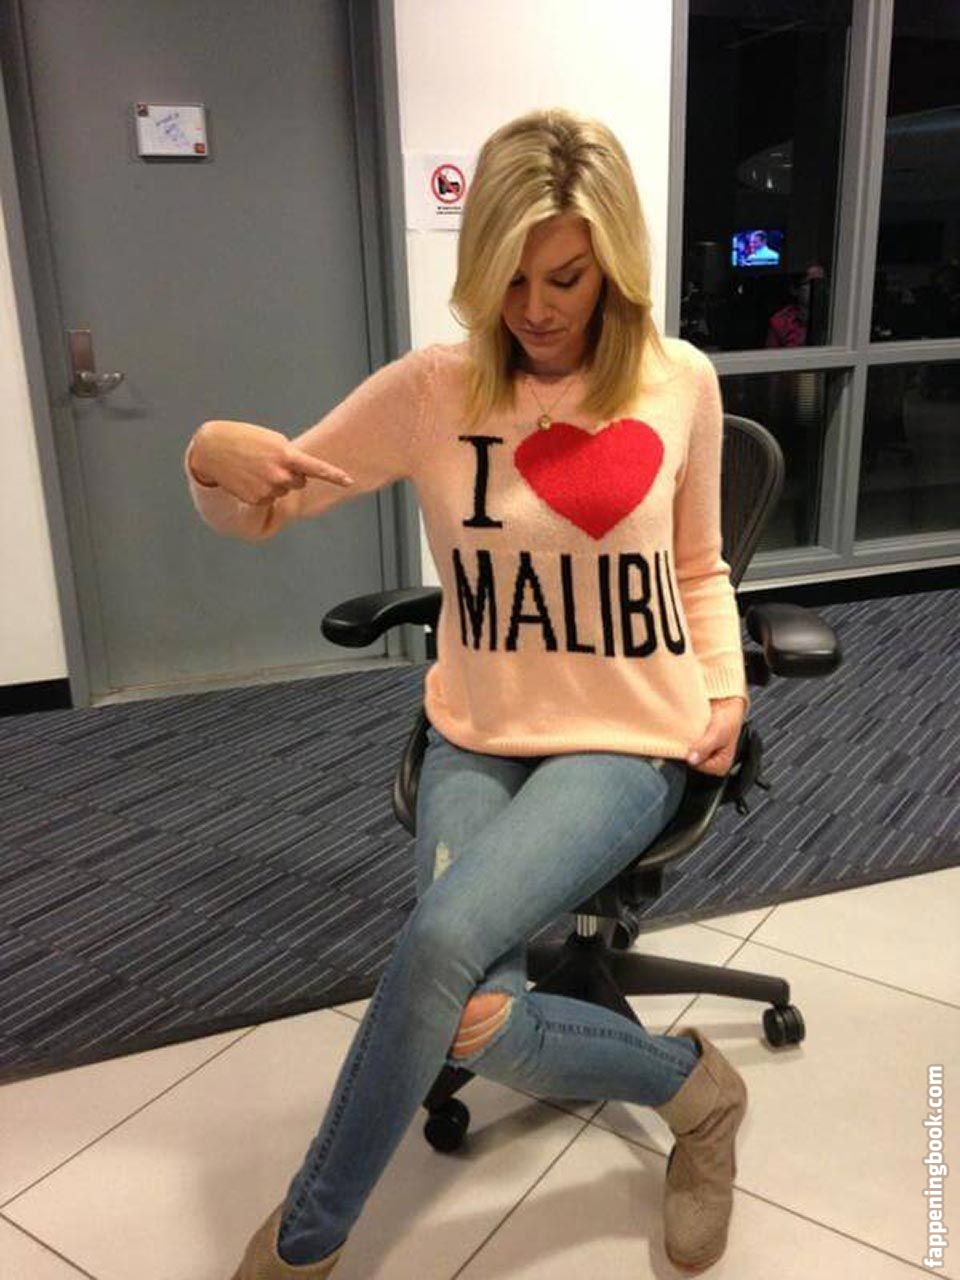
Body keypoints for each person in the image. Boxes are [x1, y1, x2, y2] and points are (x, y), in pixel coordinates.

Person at [185, 107, 750, 1279]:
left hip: (625, 734)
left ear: (613, 266)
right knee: (477, 1013)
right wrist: (209, 464)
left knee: (441, 936)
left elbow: (698, 566)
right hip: (479, 729)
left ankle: (303, 1242)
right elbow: (269, 501)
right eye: (509, 276)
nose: (534, 307)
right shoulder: (434, 388)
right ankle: (697, 1090)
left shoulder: (678, 379)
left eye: (565, 277)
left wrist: (726, 688)